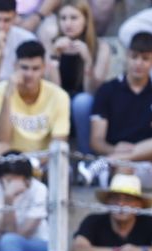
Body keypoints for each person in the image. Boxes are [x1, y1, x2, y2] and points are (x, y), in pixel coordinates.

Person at [88, 32, 152, 189]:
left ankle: (109, 161)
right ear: (127, 56)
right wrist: (113, 149)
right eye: (134, 57)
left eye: (145, 58)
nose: (139, 63)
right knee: (124, 167)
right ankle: (114, 160)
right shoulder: (107, 90)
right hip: (121, 166)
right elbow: (96, 141)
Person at [42, 0, 110, 150]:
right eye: (63, 18)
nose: (68, 23)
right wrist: (54, 57)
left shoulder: (100, 47)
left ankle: (86, 157)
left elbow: (93, 92)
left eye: (74, 18)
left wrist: (87, 61)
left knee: (82, 101)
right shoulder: (52, 44)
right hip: (59, 102)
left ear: (86, 20)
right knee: (60, 102)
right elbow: (54, 90)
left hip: (85, 107)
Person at [0, 40, 71, 158]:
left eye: (35, 68)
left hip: (44, 159)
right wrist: (8, 96)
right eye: (24, 67)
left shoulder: (59, 96)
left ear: (43, 68)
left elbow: (58, 143)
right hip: (11, 158)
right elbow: (2, 139)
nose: (29, 74)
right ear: (15, 66)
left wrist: (33, 163)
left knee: (60, 152)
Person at [71, 172, 152, 251]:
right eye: (115, 198)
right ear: (108, 202)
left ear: (139, 205)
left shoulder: (150, 222)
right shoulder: (93, 221)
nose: (121, 204)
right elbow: (78, 249)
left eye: (128, 199)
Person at [0, 154, 49, 251]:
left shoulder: (40, 189)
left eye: (15, 180)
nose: (12, 185)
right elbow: (6, 230)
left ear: (27, 179)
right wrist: (9, 198)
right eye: (8, 180)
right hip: (4, 242)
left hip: (39, 242)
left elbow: (25, 233)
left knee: (9, 240)